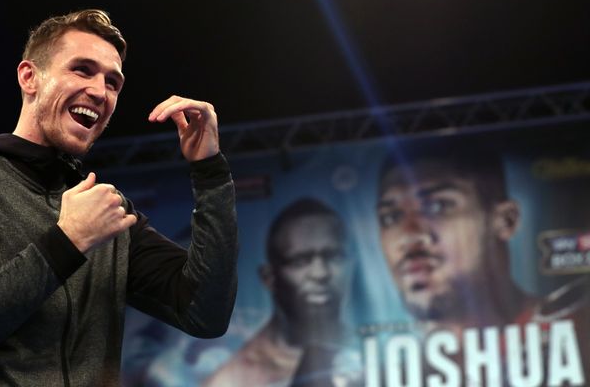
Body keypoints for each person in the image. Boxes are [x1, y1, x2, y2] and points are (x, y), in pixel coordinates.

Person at [0, 9, 238, 386]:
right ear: (29, 77)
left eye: (113, 83)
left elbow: (205, 313)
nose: (100, 91)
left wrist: (209, 172)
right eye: (82, 70)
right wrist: (68, 241)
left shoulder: (109, 213)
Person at [375, 140, 589, 385]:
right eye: (390, 217)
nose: (409, 235)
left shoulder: (580, 332)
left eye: (437, 205)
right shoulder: (388, 378)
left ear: (505, 220)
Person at [203, 198, 358, 387]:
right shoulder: (235, 380)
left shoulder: (370, 349)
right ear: (269, 278)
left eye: (333, 256)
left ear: (351, 266)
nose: (320, 273)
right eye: (300, 261)